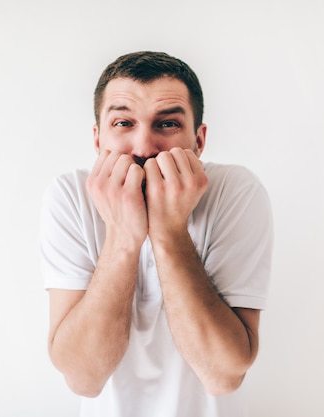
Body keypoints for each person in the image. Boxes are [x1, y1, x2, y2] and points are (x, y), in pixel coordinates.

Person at [40, 51, 273, 417]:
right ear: (98, 139)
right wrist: (122, 237)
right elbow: (84, 378)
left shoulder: (235, 191)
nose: (144, 147)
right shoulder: (70, 196)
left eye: (167, 124)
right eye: (123, 123)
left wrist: (168, 232)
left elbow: (223, 377)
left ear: (199, 140)